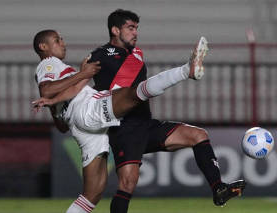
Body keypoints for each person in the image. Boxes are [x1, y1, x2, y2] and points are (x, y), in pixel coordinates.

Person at [88, 9, 246, 213]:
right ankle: (184, 70)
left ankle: (218, 189)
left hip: (145, 124)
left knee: (198, 135)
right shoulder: (100, 55)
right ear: (115, 30)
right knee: (128, 184)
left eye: (136, 28)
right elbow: (100, 86)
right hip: (123, 129)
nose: (135, 32)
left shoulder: (136, 54)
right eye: (130, 28)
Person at [32, 29, 208, 213]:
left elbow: (60, 126)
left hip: (81, 127)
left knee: (91, 195)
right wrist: (83, 74)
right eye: (57, 40)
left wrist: (64, 95)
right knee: (133, 94)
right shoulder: (48, 63)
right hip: (86, 111)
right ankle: (186, 70)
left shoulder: (58, 71)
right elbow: (47, 90)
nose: (63, 43)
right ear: (43, 46)